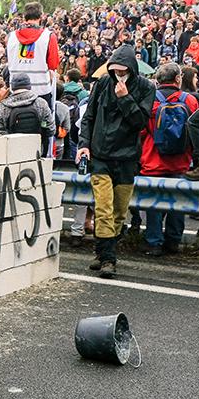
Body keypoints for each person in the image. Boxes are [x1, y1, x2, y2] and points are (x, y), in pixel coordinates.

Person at [75, 44, 154, 279]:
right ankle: (109, 258)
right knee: (103, 207)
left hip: (127, 157)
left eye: (123, 70)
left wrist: (125, 99)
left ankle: (102, 251)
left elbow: (140, 122)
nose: (119, 75)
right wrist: (84, 145)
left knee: (119, 211)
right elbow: (88, 116)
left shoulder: (146, 88)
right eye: (115, 70)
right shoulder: (101, 84)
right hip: (100, 155)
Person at [138, 63, 199, 257]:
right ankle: (173, 241)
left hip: (152, 159)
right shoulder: (189, 100)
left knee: (154, 204)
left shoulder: (149, 99)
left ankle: (154, 243)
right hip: (180, 161)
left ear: (158, 79)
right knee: (177, 203)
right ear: (178, 79)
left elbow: (140, 130)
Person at [6, 2, 60, 103]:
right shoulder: (49, 36)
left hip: (16, 90)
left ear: (24, 16)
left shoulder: (10, 37)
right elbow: (53, 65)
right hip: (41, 90)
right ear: (41, 16)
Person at [0, 73, 56, 145]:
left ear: (12, 87)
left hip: (12, 149)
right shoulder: (40, 103)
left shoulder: (4, 106)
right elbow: (51, 129)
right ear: (29, 86)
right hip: (36, 148)